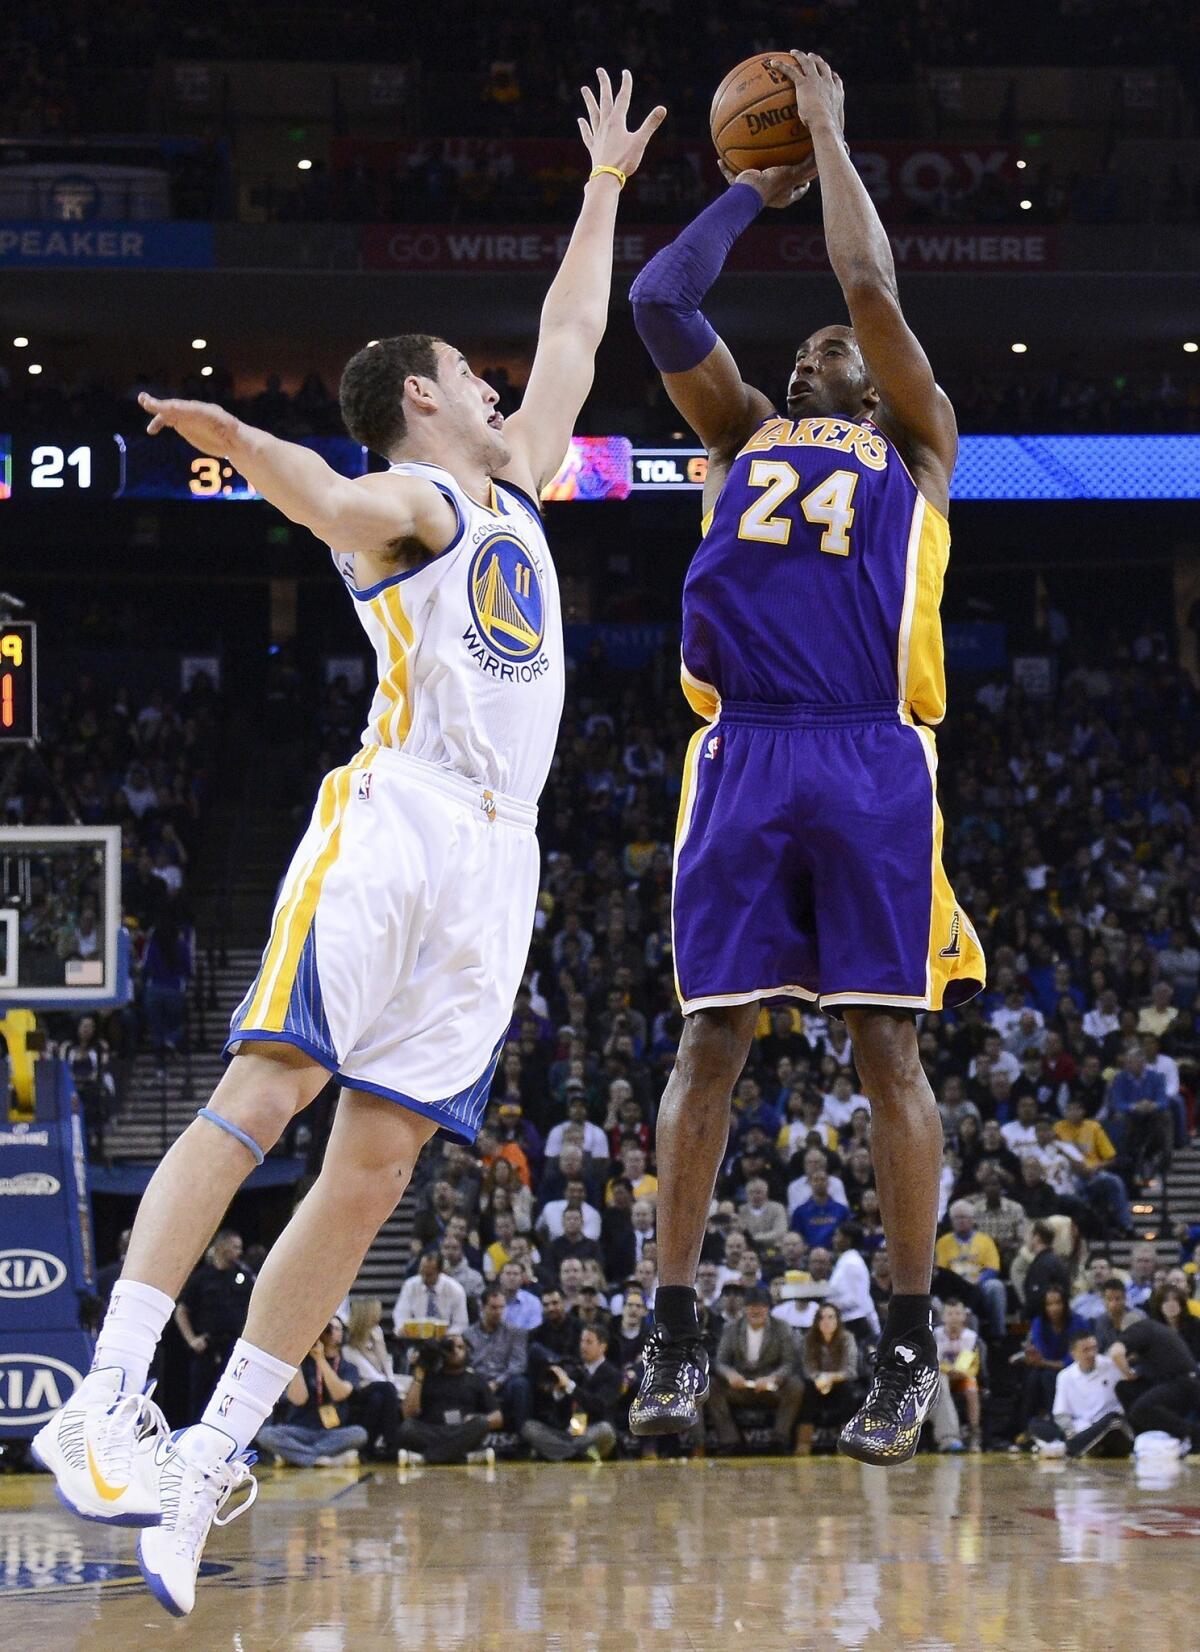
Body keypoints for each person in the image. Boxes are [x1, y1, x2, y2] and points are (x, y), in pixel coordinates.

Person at [33, 70, 666, 1617]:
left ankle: (205, 1459)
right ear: (425, 396)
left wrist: (599, 188)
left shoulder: (511, 477)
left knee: (378, 1165)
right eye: (474, 370)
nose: (505, 380)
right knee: (268, 1088)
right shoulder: (416, 501)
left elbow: (578, 336)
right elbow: (318, 490)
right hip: (401, 816)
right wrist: (238, 434)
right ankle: (104, 1393)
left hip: (501, 858)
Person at [626, 51, 984, 1466]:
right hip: (748, 749)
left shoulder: (924, 444)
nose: (804, 361)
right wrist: (743, 194)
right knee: (710, 1036)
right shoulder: (748, 433)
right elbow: (661, 303)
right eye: (795, 362)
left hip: (873, 754)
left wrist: (828, 136)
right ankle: (670, 1322)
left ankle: (905, 1348)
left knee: (884, 1042)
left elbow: (872, 294)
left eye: (819, 356)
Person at [255, 1318, 368, 1469]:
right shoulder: (302, 1363)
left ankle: (296, 1456)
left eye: (334, 1328)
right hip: (299, 1431)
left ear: (342, 1335)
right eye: (325, 1328)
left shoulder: (348, 1367)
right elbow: (298, 1399)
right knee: (266, 1435)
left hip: (331, 1433)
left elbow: (339, 1394)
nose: (327, 1332)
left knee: (359, 1434)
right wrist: (297, 1357)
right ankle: (321, 1459)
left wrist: (321, 1359)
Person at [706, 1285, 805, 1454]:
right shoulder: (731, 1328)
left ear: (768, 1308)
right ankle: (729, 1441)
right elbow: (720, 1362)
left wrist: (773, 1378)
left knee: (796, 1386)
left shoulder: (782, 1327)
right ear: (745, 1308)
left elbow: (789, 1363)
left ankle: (779, 1439)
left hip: (771, 1387)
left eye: (760, 1306)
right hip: (740, 1386)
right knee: (712, 1386)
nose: (756, 1311)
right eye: (751, 1306)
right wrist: (730, 1375)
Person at [174, 1231, 255, 1421]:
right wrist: (191, 1339)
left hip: (234, 1346)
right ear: (221, 1247)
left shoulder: (243, 1276)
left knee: (236, 1398)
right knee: (202, 1399)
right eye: (235, 1247)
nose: (239, 1252)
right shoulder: (201, 1278)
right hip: (208, 1348)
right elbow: (181, 1310)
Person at [396, 1333, 502, 1465]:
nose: (455, 1351)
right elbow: (407, 1414)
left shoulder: (476, 1380)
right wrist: (420, 1371)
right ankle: (464, 1458)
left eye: (460, 1347)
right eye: (450, 1347)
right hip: (433, 1431)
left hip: (463, 1430)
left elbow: (498, 1417)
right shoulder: (429, 1377)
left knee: (480, 1422)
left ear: (467, 1352)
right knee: (407, 1427)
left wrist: (476, 1417)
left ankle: (425, 1459)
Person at [521, 1325, 622, 1462]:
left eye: (589, 1342)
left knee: (606, 1431)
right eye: (581, 1341)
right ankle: (578, 1456)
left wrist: (570, 1386)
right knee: (529, 1428)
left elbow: (599, 1406)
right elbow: (560, 1414)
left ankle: (561, 1454)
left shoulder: (613, 1375)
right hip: (568, 1432)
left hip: (591, 1430)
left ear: (602, 1347)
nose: (583, 1346)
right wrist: (558, 1394)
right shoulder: (573, 1368)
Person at [1028, 1330, 1132, 1460]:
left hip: (1109, 1428)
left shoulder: (1111, 1365)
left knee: (1114, 1420)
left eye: (1094, 1348)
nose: (1091, 1354)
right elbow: (1061, 1414)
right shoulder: (1065, 1376)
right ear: (1074, 1354)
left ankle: (1067, 1449)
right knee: (1035, 1424)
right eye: (1086, 1350)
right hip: (1080, 1429)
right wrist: (1070, 1432)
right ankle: (1083, 1446)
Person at [1109, 1318, 1200, 1448]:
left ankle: (1193, 1434)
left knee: (1141, 1410)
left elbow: (1116, 1353)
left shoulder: (1136, 1329)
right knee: (1123, 1388)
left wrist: (1128, 1373)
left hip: (1182, 1384)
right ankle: (1145, 1439)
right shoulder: (1157, 1329)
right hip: (1186, 1382)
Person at [795, 1303, 862, 1455]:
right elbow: (807, 1369)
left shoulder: (847, 1338)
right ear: (816, 1321)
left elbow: (850, 1370)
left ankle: (847, 1443)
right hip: (816, 1384)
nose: (826, 1321)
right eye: (822, 1318)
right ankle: (803, 1442)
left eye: (831, 1317)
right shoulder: (808, 1339)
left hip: (839, 1382)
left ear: (837, 1320)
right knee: (807, 1389)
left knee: (848, 1390)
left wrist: (830, 1377)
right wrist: (819, 1378)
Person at [464, 1286, 532, 1432]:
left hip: (504, 1383)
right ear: (482, 1307)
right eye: (493, 1308)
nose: (498, 1312)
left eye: (502, 1307)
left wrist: (497, 1382)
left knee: (521, 1383)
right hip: (477, 1382)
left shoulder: (516, 1333)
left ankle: (522, 1435)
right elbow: (465, 1363)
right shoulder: (467, 1334)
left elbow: (518, 1365)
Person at [340, 1299, 402, 1460]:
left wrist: (379, 1346)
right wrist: (392, 1383)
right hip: (357, 1391)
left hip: (377, 1391)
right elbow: (374, 1377)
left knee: (378, 1399)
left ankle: (370, 1448)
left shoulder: (376, 1339)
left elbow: (388, 1373)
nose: (379, 1318)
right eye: (376, 1314)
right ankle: (392, 1444)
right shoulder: (349, 1350)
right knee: (386, 1390)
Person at [933, 1299, 982, 1452]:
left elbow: (966, 1365)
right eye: (950, 1313)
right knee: (941, 1380)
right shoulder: (936, 1334)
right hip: (942, 1376)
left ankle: (974, 1432)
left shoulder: (970, 1336)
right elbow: (934, 1361)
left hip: (963, 1375)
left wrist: (951, 1370)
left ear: (964, 1317)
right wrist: (947, 1370)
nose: (954, 1317)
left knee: (971, 1389)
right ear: (943, 1317)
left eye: (958, 1313)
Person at [392, 1248, 469, 1337]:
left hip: (446, 1339)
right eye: (422, 1273)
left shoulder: (455, 1290)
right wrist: (402, 1328)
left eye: (429, 1275)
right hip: (416, 1338)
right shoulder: (410, 1285)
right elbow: (400, 1314)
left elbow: (461, 1323)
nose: (424, 1278)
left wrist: (446, 1336)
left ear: (440, 1272)